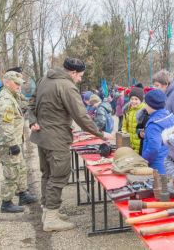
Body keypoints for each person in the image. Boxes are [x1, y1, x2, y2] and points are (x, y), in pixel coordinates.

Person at [28, 57, 111, 232]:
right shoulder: (66, 86)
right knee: (59, 175)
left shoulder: (44, 79)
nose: (80, 79)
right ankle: (51, 218)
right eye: (80, 76)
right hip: (56, 138)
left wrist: (32, 121)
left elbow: (31, 103)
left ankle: (48, 211)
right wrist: (101, 134)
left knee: (48, 174)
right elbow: (81, 116)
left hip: (41, 137)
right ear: (72, 72)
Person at [0, 71, 37, 213]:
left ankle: (22, 194)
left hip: (16, 140)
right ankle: (6, 203)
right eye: (16, 83)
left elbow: (25, 105)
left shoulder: (13, 96)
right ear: (7, 82)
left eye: (20, 84)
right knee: (11, 172)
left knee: (21, 168)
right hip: (8, 143)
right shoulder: (5, 100)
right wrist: (12, 144)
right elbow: (6, 125)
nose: (19, 86)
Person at [142, 89, 174, 174]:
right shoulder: (171, 117)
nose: (145, 106)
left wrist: (143, 161)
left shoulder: (153, 125)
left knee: (159, 186)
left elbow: (153, 148)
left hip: (157, 166)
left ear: (151, 105)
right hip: (170, 162)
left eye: (146, 104)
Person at [122, 87, 145, 153]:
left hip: (140, 146)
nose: (133, 101)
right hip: (130, 144)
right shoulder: (127, 110)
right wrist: (124, 133)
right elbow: (124, 126)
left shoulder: (144, 111)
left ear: (141, 100)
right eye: (131, 99)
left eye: (136, 99)